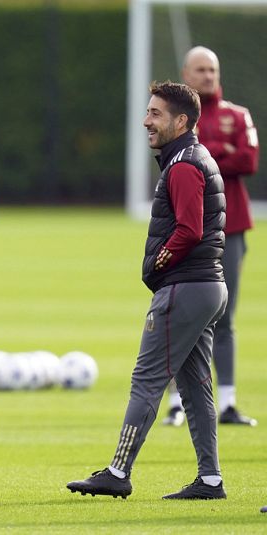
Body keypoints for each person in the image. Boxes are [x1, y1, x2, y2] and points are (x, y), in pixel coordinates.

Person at [67, 81, 227, 500]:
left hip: (187, 287)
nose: (146, 121)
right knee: (194, 387)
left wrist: (159, 263)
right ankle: (210, 480)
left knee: (147, 380)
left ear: (181, 121)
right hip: (207, 286)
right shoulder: (192, 158)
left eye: (155, 114)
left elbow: (189, 230)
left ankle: (118, 471)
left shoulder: (183, 165)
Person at [163, 46, 259, 427]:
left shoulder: (238, 115)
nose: (208, 76)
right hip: (185, 228)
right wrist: (222, 152)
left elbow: (249, 161)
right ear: (186, 74)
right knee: (178, 313)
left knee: (225, 315)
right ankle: (174, 404)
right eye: (200, 70)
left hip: (230, 226)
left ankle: (229, 403)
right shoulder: (173, 117)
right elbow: (174, 157)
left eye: (213, 70)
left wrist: (205, 150)